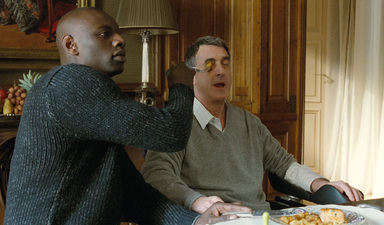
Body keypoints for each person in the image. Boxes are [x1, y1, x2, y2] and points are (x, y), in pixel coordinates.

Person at [4, 9, 251, 225]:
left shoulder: (84, 97)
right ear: (71, 45)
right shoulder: (68, 85)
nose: (120, 40)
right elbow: (170, 134)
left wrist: (196, 220)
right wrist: (181, 85)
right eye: (104, 34)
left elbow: (133, 193)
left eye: (118, 33)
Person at [141, 36, 364, 214]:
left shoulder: (248, 122)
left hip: (262, 217)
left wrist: (320, 183)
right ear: (193, 77)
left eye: (225, 64)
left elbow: (285, 165)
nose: (220, 71)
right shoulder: (176, 122)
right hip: (215, 219)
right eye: (209, 66)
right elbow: (157, 175)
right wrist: (196, 201)